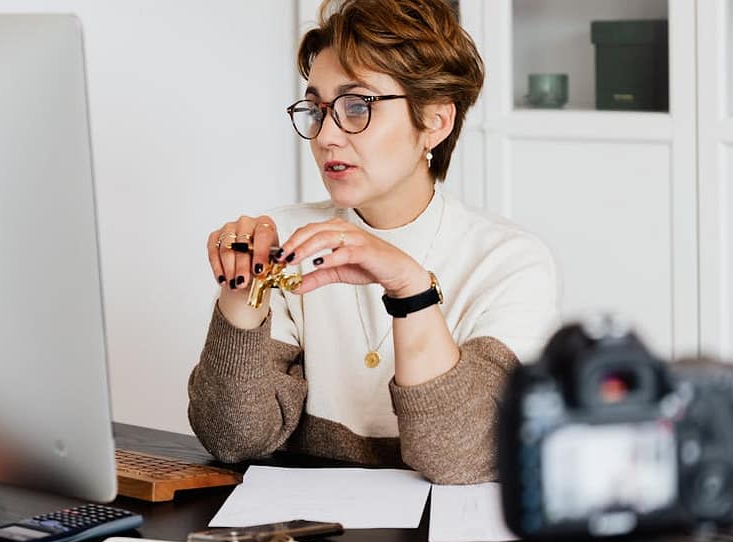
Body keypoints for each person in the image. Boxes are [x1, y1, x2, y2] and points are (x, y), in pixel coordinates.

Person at [187, 0, 559, 484]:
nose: (326, 137)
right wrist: (240, 292)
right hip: (309, 533)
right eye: (317, 109)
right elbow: (234, 438)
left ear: (435, 122)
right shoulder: (282, 241)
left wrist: (410, 289)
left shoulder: (509, 262)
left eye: (357, 106)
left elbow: (461, 457)